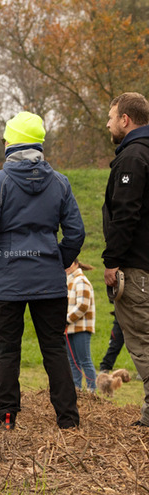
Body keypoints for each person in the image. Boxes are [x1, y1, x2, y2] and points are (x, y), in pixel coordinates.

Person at [0, 111, 84, 430]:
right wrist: (57, 260)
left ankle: (6, 417)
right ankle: (68, 420)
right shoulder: (60, 182)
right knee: (54, 348)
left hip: (6, 282)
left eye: (6, 137)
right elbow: (75, 233)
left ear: (12, 143)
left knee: (7, 350)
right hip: (49, 281)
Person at [103, 92, 149, 427]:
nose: (108, 123)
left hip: (136, 267)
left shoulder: (133, 157)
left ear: (125, 120)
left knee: (143, 340)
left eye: (110, 116)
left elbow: (125, 213)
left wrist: (112, 262)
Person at [64, 260, 96, 391]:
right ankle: (76, 389)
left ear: (76, 264)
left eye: (69, 264)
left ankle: (91, 391)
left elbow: (83, 305)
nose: (66, 267)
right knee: (72, 361)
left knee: (85, 360)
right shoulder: (68, 281)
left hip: (81, 328)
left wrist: (66, 320)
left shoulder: (81, 280)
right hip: (69, 328)